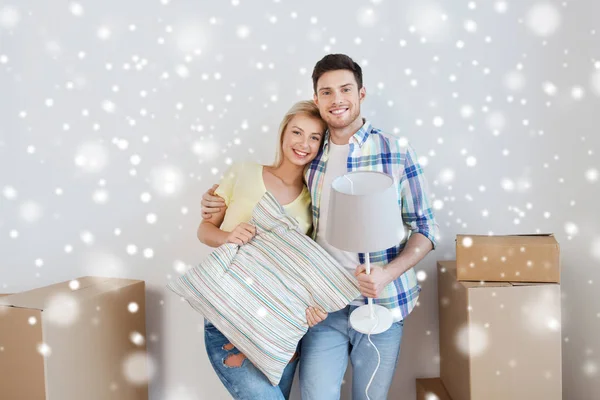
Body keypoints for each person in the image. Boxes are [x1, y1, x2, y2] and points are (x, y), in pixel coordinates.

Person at [201, 54, 439, 400]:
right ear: (317, 99)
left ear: (361, 94)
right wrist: (214, 205)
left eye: (345, 89)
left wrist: (387, 273)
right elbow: (280, 210)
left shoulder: (395, 151)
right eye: (326, 92)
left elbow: (425, 228)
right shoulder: (311, 153)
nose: (336, 99)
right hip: (322, 306)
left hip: (382, 303)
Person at [197, 100, 329, 400]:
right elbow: (204, 231)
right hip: (228, 314)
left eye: (314, 137)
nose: (303, 144)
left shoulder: (315, 200)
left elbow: (305, 268)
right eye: (297, 132)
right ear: (283, 134)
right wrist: (230, 236)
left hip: (281, 325)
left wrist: (311, 304)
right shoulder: (244, 172)